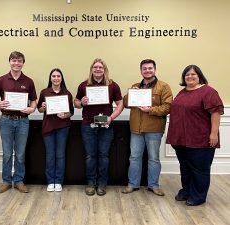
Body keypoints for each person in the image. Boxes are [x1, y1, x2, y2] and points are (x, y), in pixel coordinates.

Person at [166, 65, 224, 206]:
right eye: (187, 74)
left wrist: (213, 134)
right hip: (181, 139)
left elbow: (215, 112)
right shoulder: (182, 92)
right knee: (185, 167)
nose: (189, 76)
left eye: (193, 74)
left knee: (200, 169)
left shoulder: (208, 92)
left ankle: (198, 196)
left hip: (200, 139)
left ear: (199, 76)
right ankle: (186, 191)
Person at [122, 59, 173, 196]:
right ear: (141, 71)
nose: (147, 71)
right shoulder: (135, 86)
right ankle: (133, 184)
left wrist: (150, 109)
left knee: (153, 158)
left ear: (154, 70)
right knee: (134, 157)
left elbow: (168, 107)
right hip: (136, 129)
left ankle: (153, 185)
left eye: (150, 68)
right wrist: (131, 93)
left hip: (154, 129)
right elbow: (126, 103)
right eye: (144, 69)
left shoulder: (163, 87)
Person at [74, 58, 123, 196]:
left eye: (100, 67)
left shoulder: (112, 85)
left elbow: (120, 103)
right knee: (90, 156)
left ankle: (102, 183)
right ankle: (90, 183)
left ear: (104, 69)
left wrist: (111, 117)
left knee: (104, 155)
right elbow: (76, 102)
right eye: (95, 67)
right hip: (88, 124)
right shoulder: (84, 85)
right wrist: (81, 102)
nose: (98, 69)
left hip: (105, 124)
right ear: (91, 69)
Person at [0, 51, 37, 193]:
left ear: (23, 63)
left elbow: (34, 101)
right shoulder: (2, 80)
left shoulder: (28, 81)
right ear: (10, 62)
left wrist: (31, 109)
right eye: (14, 60)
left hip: (23, 121)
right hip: (6, 120)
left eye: (19, 61)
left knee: (20, 153)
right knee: (7, 153)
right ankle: (6, 181)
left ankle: (18, 180)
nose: (16, 63)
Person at [37, 68, 74, 192]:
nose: (56, 78)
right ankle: (50, 181)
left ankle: (58, 181)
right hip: (48, 127)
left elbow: (71, 113)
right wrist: (43, 107)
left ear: (61, 78)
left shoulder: (67, 93)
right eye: (54, 76)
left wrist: (65, 115)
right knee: (50, 155)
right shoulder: (44, 92)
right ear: (50, 78)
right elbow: (40, 110)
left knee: (60, 155)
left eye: (58, 76)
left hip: (62, 128)